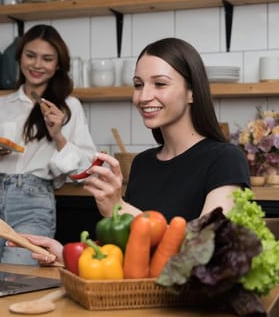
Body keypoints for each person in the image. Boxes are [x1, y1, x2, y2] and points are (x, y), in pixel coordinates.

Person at [15, 37, 250, 266]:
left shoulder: (225, 159)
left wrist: (120, 207)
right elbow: (130, 254)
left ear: (192, 92)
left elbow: (205, 246)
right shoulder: (143, 163)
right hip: (139, 298)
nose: (143, 96)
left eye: (160, 83)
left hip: (189, 302)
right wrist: (69, 256)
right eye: (138, 84)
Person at [0, 24, 97, 265]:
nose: (37, 65)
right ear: (19, 58)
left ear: (58, 64)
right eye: (31, 56)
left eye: (47, 59)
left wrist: (57, 134)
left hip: (32, 202)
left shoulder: (69, 107)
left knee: (17, 277)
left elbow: (84, 171)